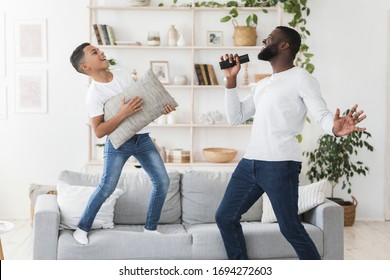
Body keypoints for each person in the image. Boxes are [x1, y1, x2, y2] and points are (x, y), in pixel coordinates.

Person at [215, 26, 367, 260]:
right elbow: (235, 117)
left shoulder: (302, 79)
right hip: (250, 163)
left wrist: (335, 128)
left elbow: (322, 114)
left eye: (269, 39)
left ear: (284, 45)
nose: (264, 41)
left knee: (289, 227)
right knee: (225, 217)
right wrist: (231, 80)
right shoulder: (263, 85)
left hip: (280, 164)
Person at [69, 42, 176, 245]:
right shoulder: (94, 95)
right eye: (95, 52)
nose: (101, 52)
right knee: (106, 187)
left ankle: (150, 229)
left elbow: (140, 107)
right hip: (118, 143)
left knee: (162, 182)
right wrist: (123, 113)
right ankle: (81, 228)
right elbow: (99, 131)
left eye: (99, 50)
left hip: (142, 138)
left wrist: (161, 108)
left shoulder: (123, 74)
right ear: (85, 67)